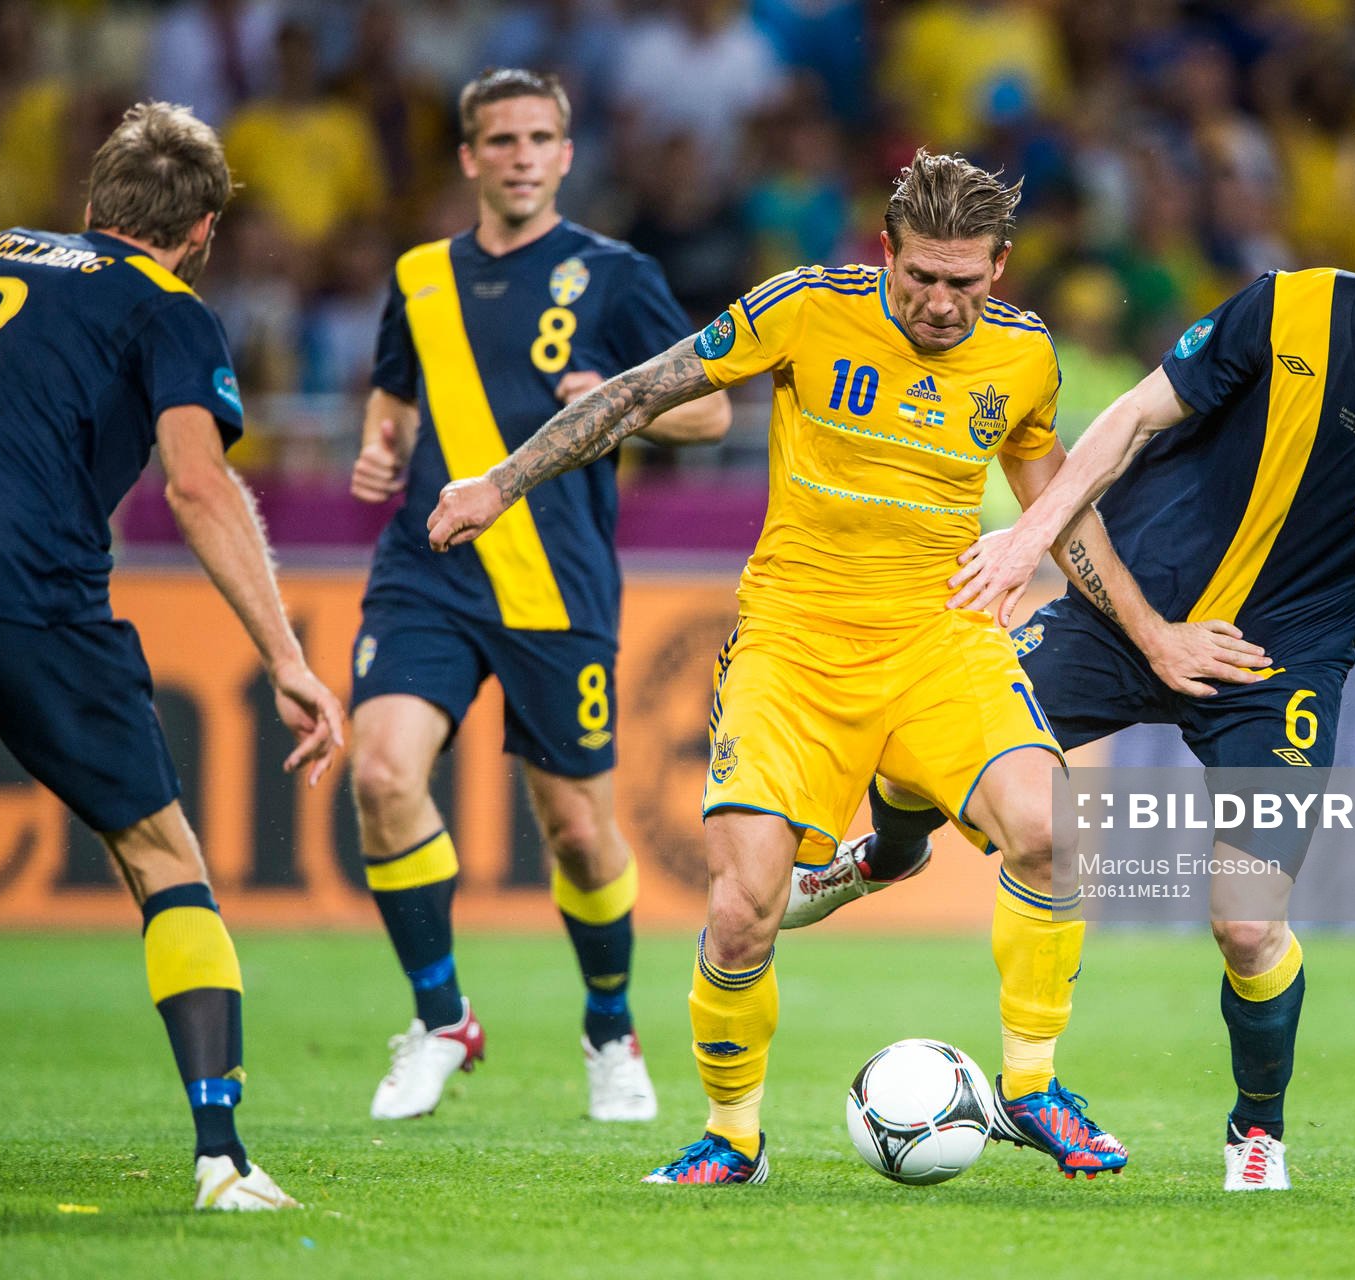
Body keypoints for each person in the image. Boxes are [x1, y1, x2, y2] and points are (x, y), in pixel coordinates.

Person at [787, 155, 1355, 1192]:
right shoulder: (1288, 310)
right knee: (933, 732)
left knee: (1245, 919)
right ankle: (887, 852)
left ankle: (1257, 1130)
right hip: (1123, 608)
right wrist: (1029, 544)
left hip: (1273, 666)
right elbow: (1128, 421)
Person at [428, 150, 1130, 1185]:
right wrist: (502, 480)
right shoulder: (804, 306)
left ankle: (1030, 1083)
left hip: (942, 638)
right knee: (743, 903)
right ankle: (735, 1133)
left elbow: (1055, 502)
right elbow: (639, 393)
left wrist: (1153, 632)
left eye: (965, 283)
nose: (940, 303)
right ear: (885, 250)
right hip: (794, 646)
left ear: (1002, 268)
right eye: (921, 277)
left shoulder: (1025, 356)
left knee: (1049, 831)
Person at [0, 102, 346, 1210]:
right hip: (31, 591)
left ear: (92, 203)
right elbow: (198, 485)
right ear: (200, 234)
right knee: (160, 851)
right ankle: (222, 1157)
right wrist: (287, 656)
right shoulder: (171, 307)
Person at [348, 68, 730, 1125]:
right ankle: (438, 1015)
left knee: (575, 828)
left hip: (554, 581)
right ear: (470, 157)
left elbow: (712, 412)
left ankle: (610, 1027)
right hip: (427, 567)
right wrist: (384, 442)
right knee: (380, 772)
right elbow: (395, 387)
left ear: (566, 154)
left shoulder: (614, 275)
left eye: (540, 137)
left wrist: (623, 405)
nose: (520, 155)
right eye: (500, 139)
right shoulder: (421, 274)